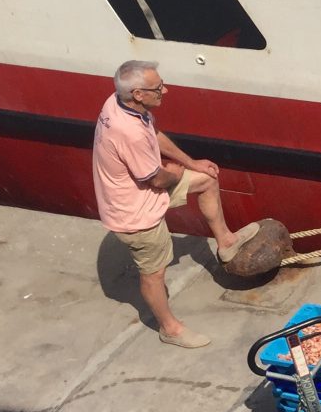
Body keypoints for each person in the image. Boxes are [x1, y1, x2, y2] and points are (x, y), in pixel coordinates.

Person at [93, 60, 259, 349]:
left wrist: (191, 163)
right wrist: (177, 173)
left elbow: (153, 135)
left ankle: (226, 241)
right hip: (135, 212)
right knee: (154, 273)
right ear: (139, 94)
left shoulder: (122, 103)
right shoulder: (127, 131)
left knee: (206, 179)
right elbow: (156, 179)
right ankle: (169, 328)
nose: (165, 90)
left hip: (140, 191)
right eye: (158, 88)